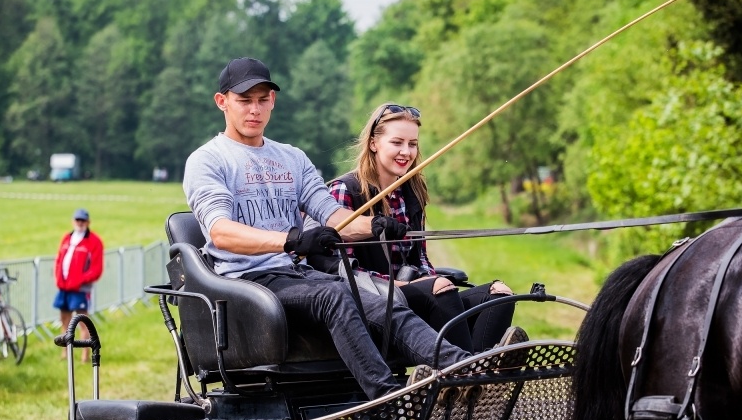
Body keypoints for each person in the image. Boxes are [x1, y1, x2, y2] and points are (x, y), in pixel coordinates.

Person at [182, 57, 472, 400]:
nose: (254, 110)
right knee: (335, 295)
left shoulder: (292, 157)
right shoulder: (208, 160)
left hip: (294, 276)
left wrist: (376, 225)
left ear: (273, 101)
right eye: (244, 101)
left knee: (385, 301)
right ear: (222, 102)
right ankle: (390, 400)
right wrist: (291, 240)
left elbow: (333, 216)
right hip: (245, 284)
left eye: (263, 100)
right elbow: (222, 233)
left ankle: (464, 370)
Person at [326, 103, 522, 353]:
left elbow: (419, 258)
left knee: (499, 296)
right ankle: (467, 375)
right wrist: (402, 285)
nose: (406, 152)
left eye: (413, 144)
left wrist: (427, 277)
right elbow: (340, 270)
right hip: (374, 299)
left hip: (415, 293)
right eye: (397, 143)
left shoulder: (412, 191)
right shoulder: (345, 190)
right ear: (374, 144)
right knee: (440, 288)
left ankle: (475, 374)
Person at [54, 208, 104, 363]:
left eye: (83, 220)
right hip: (64, 288)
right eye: (77, 220)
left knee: (82, 321)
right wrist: (58, 278)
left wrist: (80, 279)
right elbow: (59, 259)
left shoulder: (94, 241)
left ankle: (85, 356)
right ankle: (65, 353)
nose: (80, 223)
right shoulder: (67, 238)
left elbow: (96, 269)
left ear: (88, 222)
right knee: (64, 320)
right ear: (73, 221)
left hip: (80, 289)